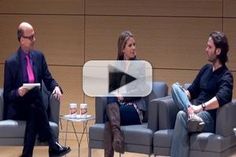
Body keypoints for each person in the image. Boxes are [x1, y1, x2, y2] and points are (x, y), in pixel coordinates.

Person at [3, 22, 71, 157]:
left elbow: (48, 78)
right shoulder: (11, 62)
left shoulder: (39, 57)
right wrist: (18, 92)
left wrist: (56, 87)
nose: (34, 40)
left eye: (34, 36)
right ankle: (53, 145)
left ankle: (27, 154)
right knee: (35, 102)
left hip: (34, 107)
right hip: (19, 108)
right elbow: (7, 94)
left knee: (34, 105)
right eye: (31, 37)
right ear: (22, 40)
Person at [170, 31, 234, 157]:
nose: (206, 50)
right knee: (175, 87)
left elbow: (221, 98)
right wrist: (183, 94)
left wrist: (200, 107)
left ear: (218, 51)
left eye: (209, 47)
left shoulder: (226, 76)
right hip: (194, 112)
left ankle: (190, 114)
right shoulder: (205, 69)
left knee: (181, 116)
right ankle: (191, 114)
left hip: (208, 117)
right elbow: (192, 91)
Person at [104, 31, 146, 157]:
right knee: (110, 97)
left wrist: (124, 95)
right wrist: (116, 94)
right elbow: (110, 89)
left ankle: (116, 137)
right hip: (119, 106)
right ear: (122, 49)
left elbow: (141, 90)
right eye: (130, 45)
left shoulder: (140, 66)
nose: (134, 48)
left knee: (109, 118)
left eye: (134, 45)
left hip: (135, 108)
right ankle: (117, 136)